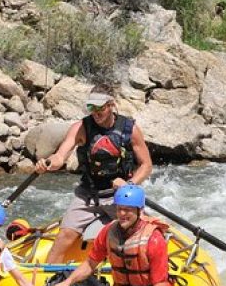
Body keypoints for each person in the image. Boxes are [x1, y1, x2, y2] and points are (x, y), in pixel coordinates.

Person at [34, 83, 153, 264]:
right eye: (91, 107)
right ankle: (48, 280)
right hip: (88, 194)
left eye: (100, 108)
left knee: (141, 235)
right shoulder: (81, 127)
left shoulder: (130, 129)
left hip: (120, 195)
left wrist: (130, 185)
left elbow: (146, 165)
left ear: (111, 105)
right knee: (64, 235)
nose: (95, 113)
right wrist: (48, 164)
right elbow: (61, 155)